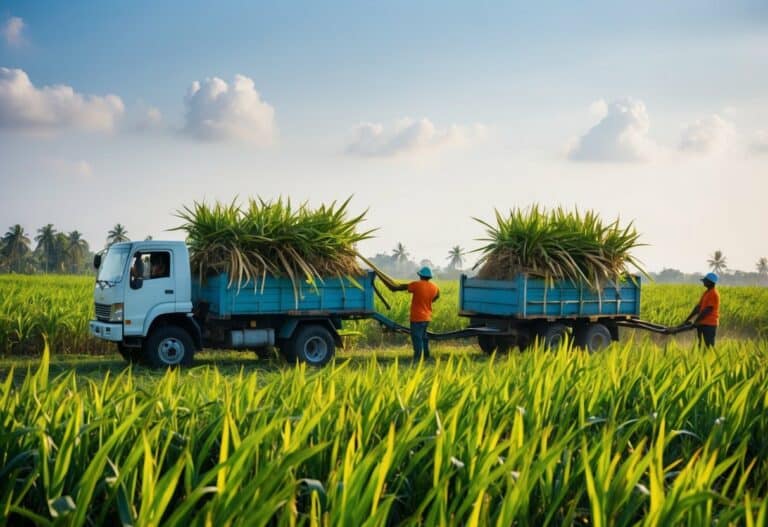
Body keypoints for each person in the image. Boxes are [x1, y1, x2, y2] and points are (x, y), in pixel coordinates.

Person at [390, 267, 440, 361]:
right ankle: (426, 356)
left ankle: (417, 358)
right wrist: (429, 301)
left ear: (420, 275)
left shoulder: (416, 285)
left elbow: (403, 287)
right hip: (427, 317)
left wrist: (392, 286)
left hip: (417, 317)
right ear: (429, 277)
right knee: (424, 337)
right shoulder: (434, 287)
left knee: (417, 338)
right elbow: (437, 296)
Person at [685, 272, 720, 347]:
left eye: (705, 280)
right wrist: (687, 319)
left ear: (710, 282)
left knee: (708, 346)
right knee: (700, 345)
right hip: (702, 323)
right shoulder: (706, 293)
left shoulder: (713, 294)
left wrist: (696, 321)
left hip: (709, 324)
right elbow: (698, 308)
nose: (703, 282)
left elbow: (708, 310)